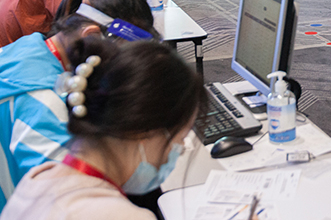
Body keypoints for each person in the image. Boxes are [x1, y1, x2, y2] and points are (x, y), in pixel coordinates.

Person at [0, 36, 207, 220]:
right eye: (179, 140)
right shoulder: (124, 216)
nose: (177, 152)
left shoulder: (39, 176)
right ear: (143, 130)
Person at [0, 0, 159, 212]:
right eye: (120, 57)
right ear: (92, 35)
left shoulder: (30, 47)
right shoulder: (42, 104)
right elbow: (71, 202)